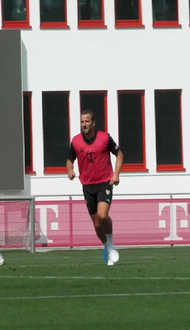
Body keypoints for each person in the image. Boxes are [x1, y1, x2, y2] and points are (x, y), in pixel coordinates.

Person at [66, 109, 124, 266]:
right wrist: (70, 170)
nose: (84, 124)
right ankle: (106, 245)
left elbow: (119, 155)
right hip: (87, 185)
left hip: (104, 182)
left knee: (103, 215)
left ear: (93, 123)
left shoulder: (104, 138)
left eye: (87, 121)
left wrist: (116, 174)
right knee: (97, 224)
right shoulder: (76, 141)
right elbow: (70, 159)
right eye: (82, 121)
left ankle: (111, 244)